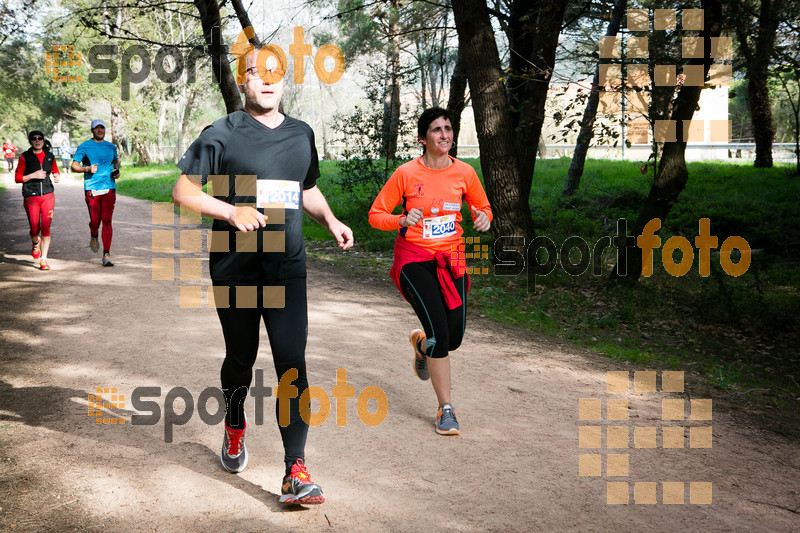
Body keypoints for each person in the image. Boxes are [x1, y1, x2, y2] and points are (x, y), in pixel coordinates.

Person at [171, 48, 353, 505]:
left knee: (293, 361)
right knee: (241, 359)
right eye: (257, 73)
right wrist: (230, 210)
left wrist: (330, 220)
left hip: (286, 268)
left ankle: (295, 469)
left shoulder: (301, 134)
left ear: (284, 81)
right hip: (236, 268)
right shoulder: (222, 133)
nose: (267, 80)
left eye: (276, 73)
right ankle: (235, 425)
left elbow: (304, 187)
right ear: (242, 81)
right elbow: (183, 191)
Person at [368, 107, 493, 436]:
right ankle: (445, 409)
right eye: (437, 130)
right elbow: (376, 214)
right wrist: (400, 220)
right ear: (423, 138)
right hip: (414, 260)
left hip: (451, 260)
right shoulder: (406, 174)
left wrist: (484, 218)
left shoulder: (465, 173)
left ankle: (422, 345)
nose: (444, 135)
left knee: (453, 338)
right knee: (441, 334)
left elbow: (483, 208)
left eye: (448, 129)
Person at [71, 119, 120, 267]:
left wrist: (116, 172)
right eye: (96, 128)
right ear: (92, 130)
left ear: (105, 130)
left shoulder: (111, 147)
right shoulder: (84, 146)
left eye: (102, 128)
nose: (100, 130)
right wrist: (87, 169)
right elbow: (74, 166)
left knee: (107, 220)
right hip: (92, 188)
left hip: (109, 187)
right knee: (95, 220)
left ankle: (106, 254)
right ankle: (93, 233)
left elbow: (116, 163)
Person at [15, 130, 60, 270]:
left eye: (40, 138)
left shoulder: (49, 156)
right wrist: (33, 175)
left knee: (46, 227)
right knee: (35, 228)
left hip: (48, 196)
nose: (37, 140)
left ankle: (44, 259)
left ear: (43, 140)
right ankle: (35, 243)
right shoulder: (24, 157)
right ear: (30, 141)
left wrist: (57, 176)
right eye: (34, 138)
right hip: (31, 197)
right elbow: (18, 178)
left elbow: (55, 170)